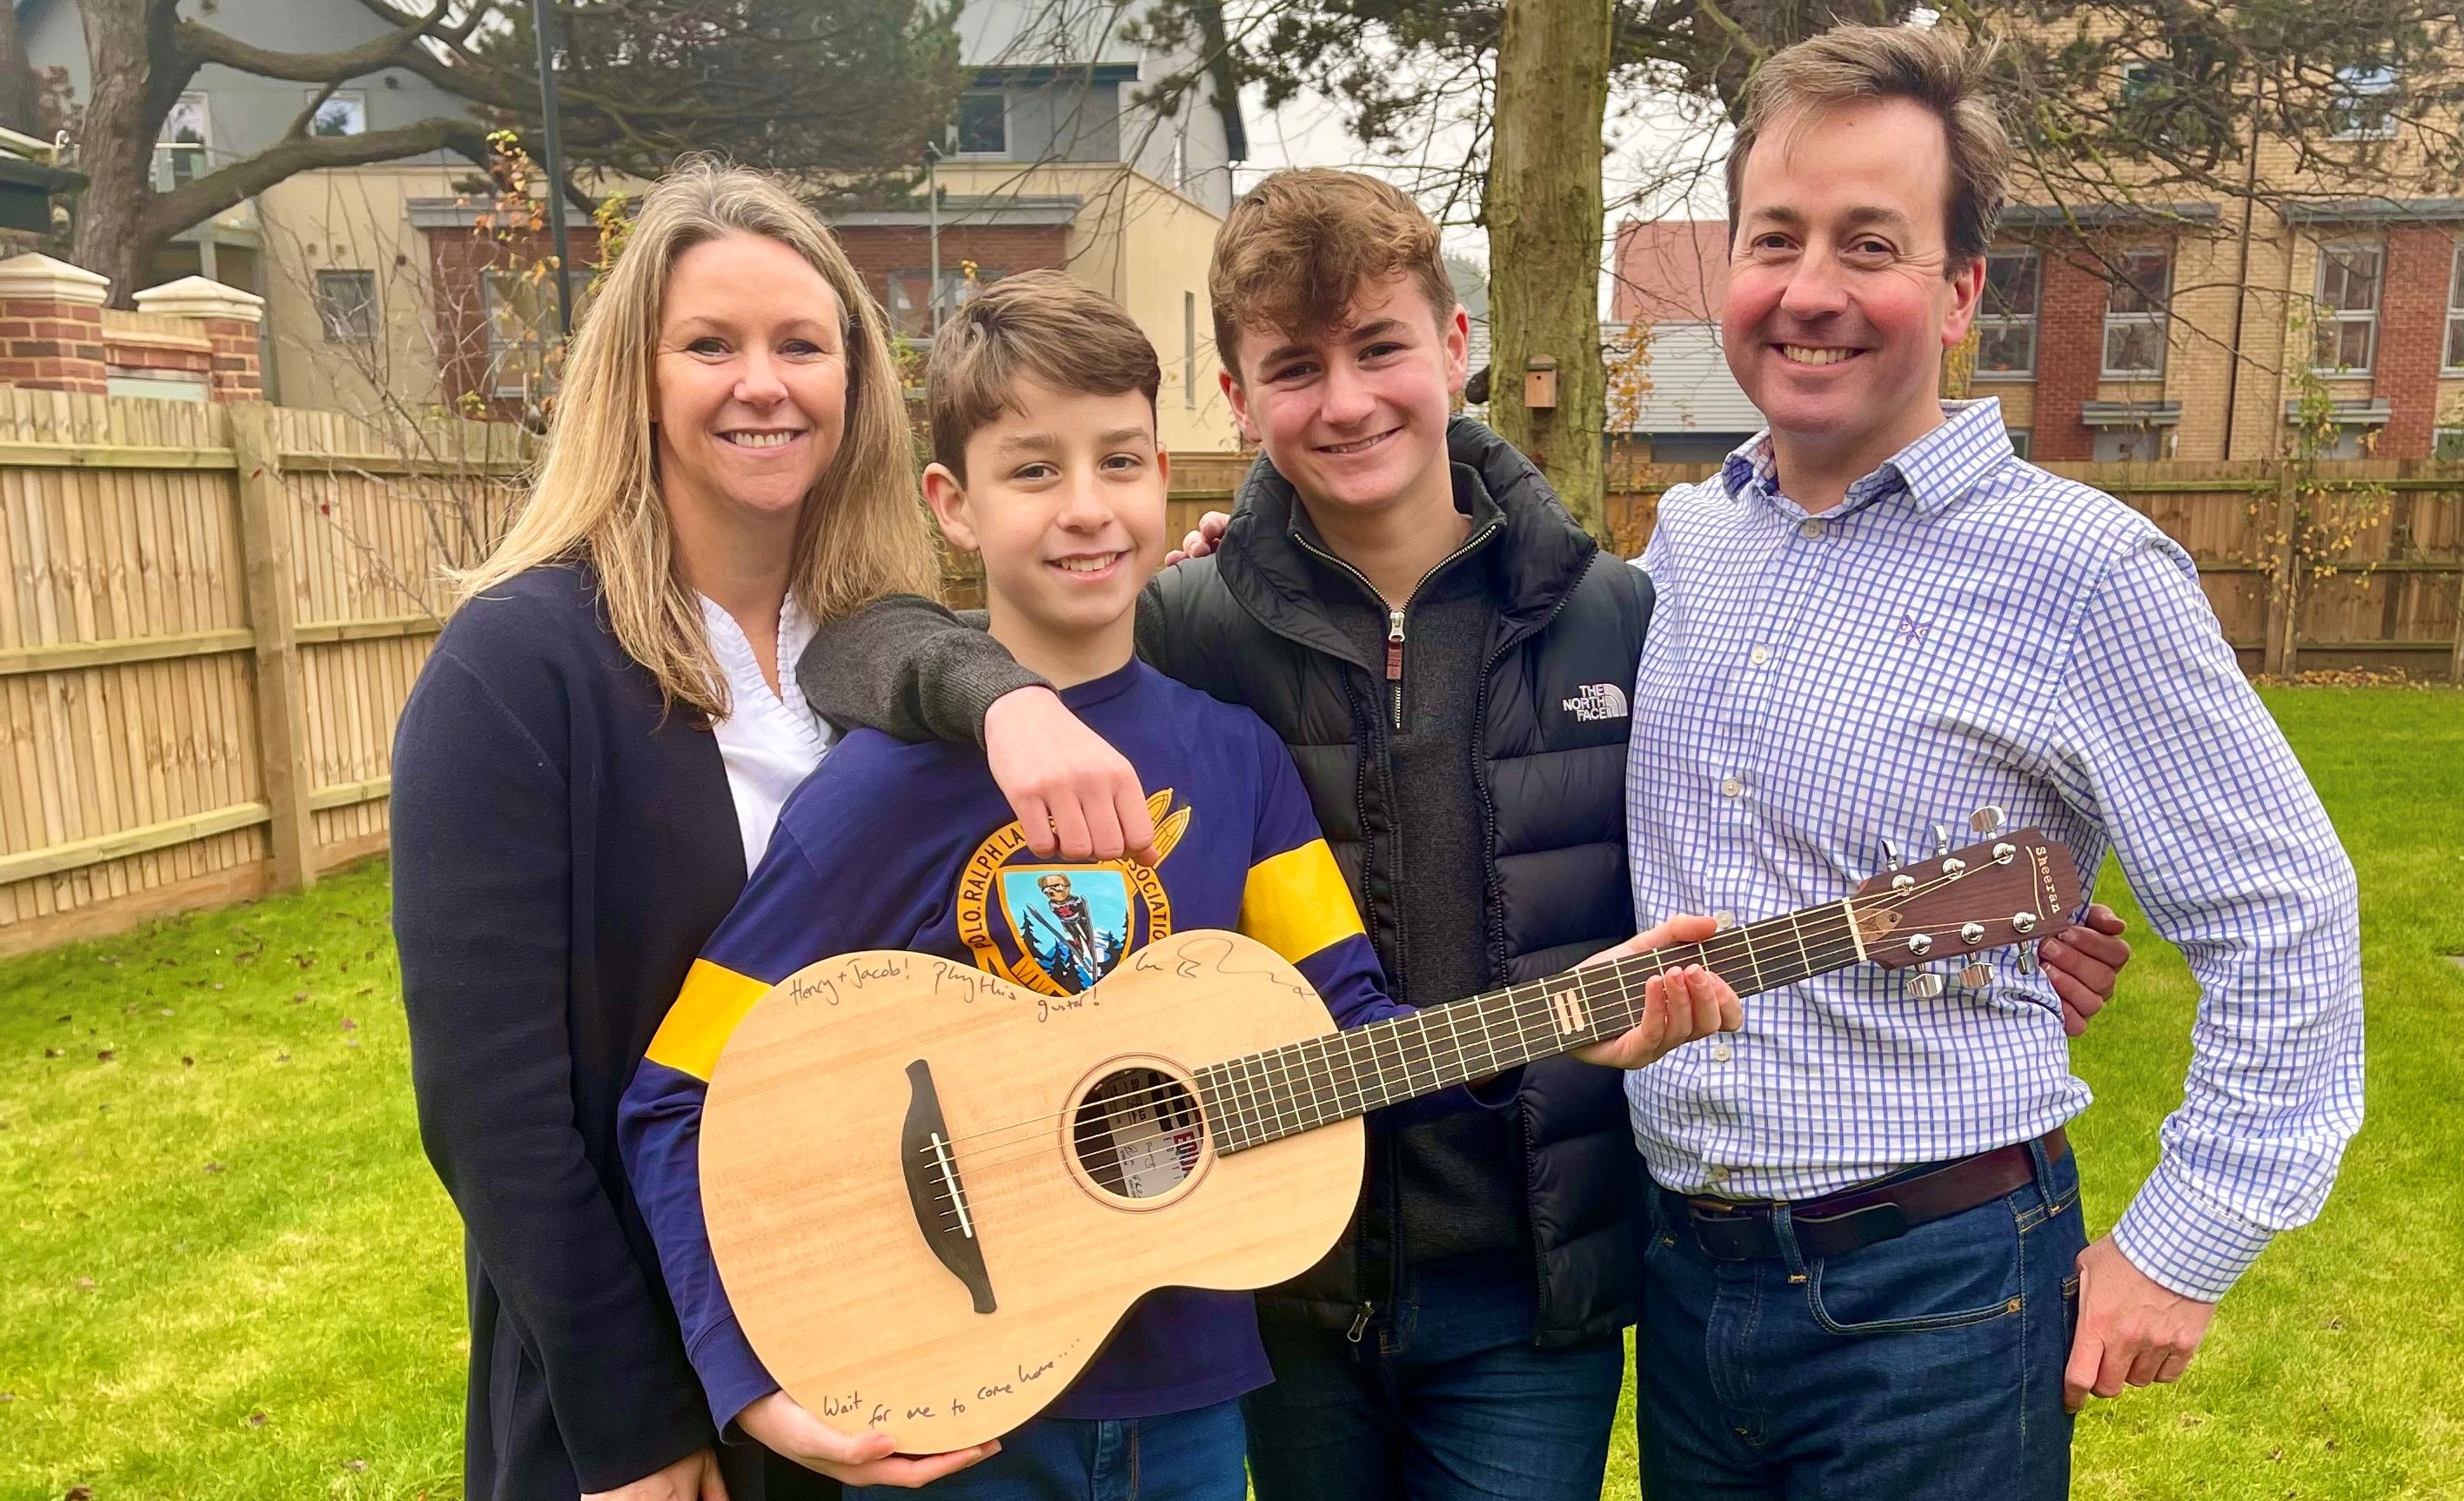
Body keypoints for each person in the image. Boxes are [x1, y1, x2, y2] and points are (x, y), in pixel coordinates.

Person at [793, 172, 2133, 1501]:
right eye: (1295, 368)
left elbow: (1753, 806)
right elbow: (864, 648)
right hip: (1273, 1277)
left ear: (1456, 345)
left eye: (1381, 347)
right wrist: (1004, 700)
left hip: (1529, 1281)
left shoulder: (1621, 613)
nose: (1349, 398)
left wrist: (1996, 932)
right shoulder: (1180, 627)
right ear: (1237, 398)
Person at [614, 271, 1740, 1501]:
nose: (1086, 508)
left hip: (1195, 1405)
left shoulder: (1237, 760)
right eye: (1034, 471)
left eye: (1120, 462)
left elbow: (1348, 1036)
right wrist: (748, 1387)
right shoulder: (884, 790)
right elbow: (677, 1092)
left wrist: (1572, 1020)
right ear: (953, 503)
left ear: (1169, 479)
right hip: (956, 1411)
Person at [1623, 23, 2367, 1498]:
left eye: (1871, 243)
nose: (1813, 289)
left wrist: (2181, 1243)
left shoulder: (2083, 572)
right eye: (1777, 238)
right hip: (1687, 1288)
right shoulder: (1687, 542)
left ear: (1960, 289)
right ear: (1728, 270)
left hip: (1939, 1305)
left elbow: (2286, 916)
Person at [388, 162, 941, 1501]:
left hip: (887, 1348)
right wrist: (635, 1425)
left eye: (802, 344)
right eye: (711, 344)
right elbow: (492, 1108)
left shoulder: (883, 652)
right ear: (638, 379)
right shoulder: (518, 666)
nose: (764, 382)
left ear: (854, 382)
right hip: (639, 1398)